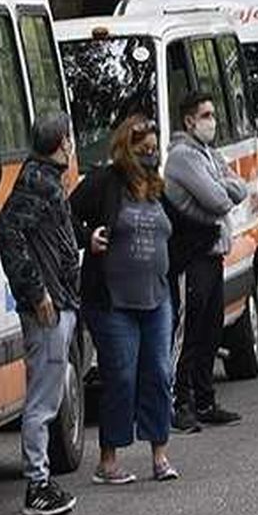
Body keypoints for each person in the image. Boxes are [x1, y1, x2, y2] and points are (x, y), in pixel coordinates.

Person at [71, 114, 179, 484]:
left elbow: (176, 230)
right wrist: (88, 238)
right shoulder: (105, 182)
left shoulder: (157, 186)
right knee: (121, 376)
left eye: (153, 149)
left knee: (159, 373)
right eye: (142, 149)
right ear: (125, 149)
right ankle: (109, 459)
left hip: (157, 297)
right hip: (112, 301)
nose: (149, 156)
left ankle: (159, 454)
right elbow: (66, 213)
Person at [0, 111, 81, 515]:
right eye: (70, 137)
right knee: (43, 398)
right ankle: (37, 484)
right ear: (62, 141)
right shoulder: (36, 181)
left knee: (49, 391)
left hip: (61, 300)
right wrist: (37, 291)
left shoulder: (47, 180)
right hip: (47, 308)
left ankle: (41, 479)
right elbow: (8, 230)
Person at [163, 91, 247, 432]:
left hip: (213, 253)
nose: (212, 122)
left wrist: (221, 186)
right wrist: (220, 188)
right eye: (207, 115)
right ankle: (180, 402)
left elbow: (239, 189)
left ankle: (205, 398)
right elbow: (217, 200)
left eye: (213, 114)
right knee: (191, 331)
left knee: (212, 328)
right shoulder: (183, 157)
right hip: (192, 255)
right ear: (189, 121)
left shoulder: (209, 154)